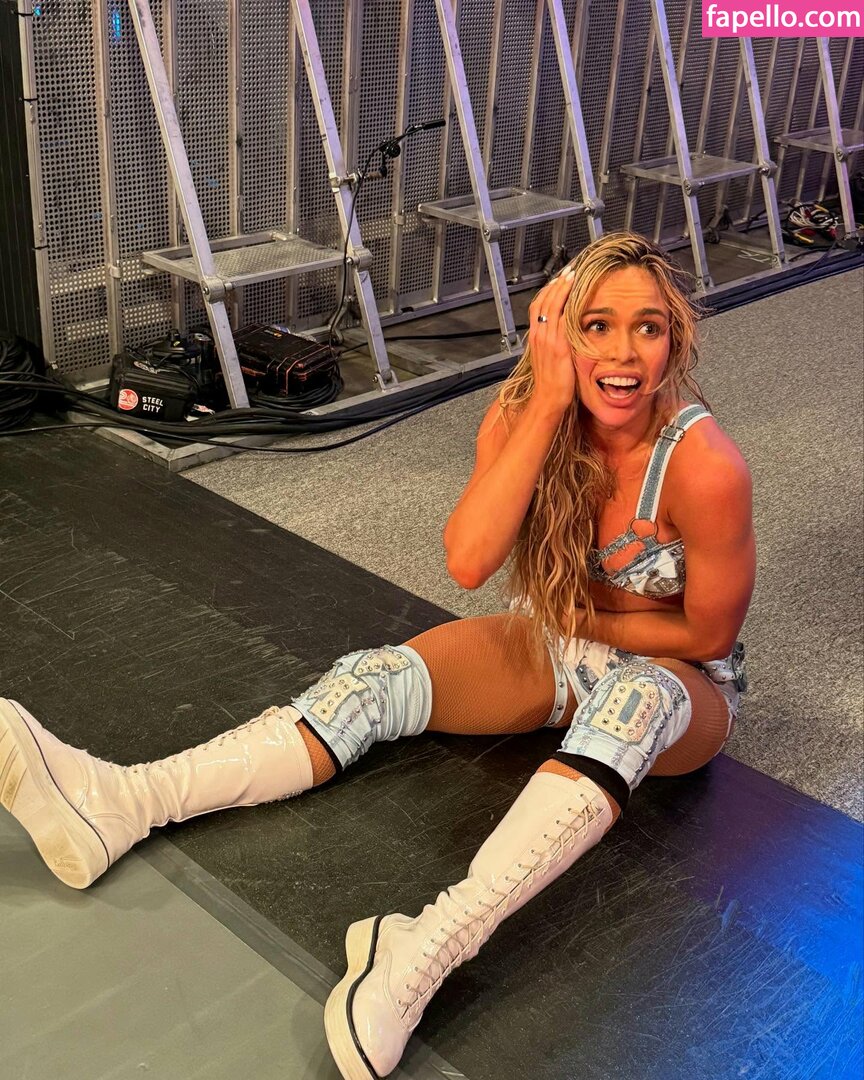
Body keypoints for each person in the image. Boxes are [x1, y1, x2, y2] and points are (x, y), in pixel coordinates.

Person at [0, 231, 754, 1080]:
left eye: (648, 328)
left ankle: (424, 948)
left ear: (675, 341)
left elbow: (708, 636)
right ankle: (125, 801)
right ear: (557, 332)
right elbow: (468, 561)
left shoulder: (705, 465)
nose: (622, 353)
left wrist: (580, 621)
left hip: (682, 686)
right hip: (559, 645)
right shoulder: (523, 415)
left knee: (633, 704)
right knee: (377, 682)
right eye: (597, 326)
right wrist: (546, 404)